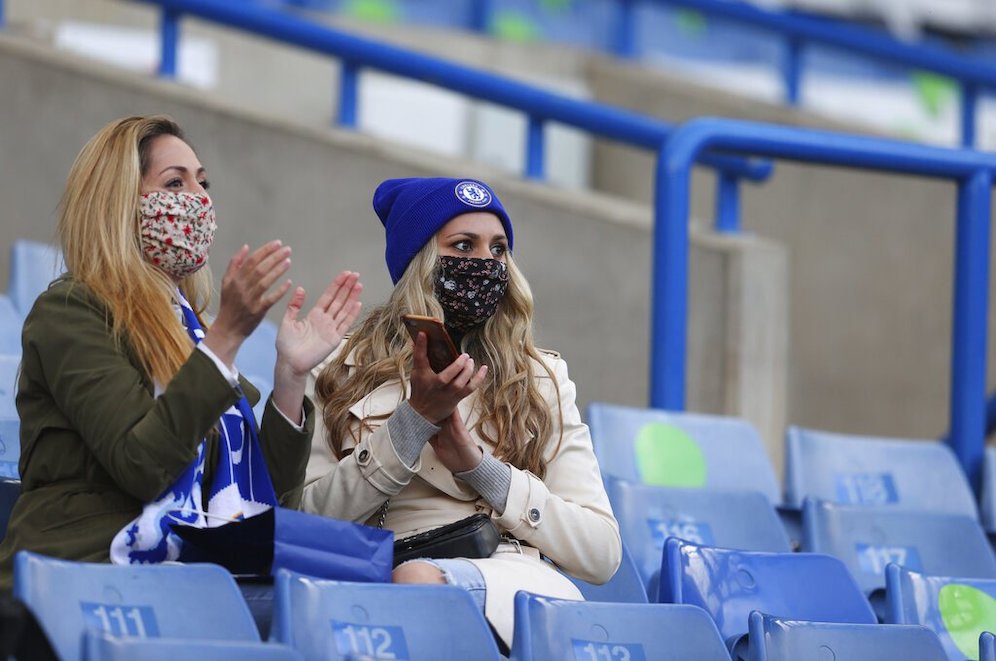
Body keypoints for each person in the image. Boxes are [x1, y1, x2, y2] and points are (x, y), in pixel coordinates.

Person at [0, 115, 363, 590]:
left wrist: (291, 378)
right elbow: (143, 466)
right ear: (119, 202)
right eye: (175, 182)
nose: (199, 197)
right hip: (88, 574)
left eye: (203, 182)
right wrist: (226, 339)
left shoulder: (193, 330)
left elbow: (264, 507)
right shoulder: (72, 310)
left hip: (200, 573)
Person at [302, 177, 621, 647]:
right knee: (412, 583)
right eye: (463, 246)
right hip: (384, 576)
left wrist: (480, 469)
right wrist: (412, 425)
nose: (485, 265)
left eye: (498, 251)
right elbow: (307, 522)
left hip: (514, 580)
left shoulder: (542, 377)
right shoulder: (339, 367)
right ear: (420, 261)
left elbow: (601, 552)